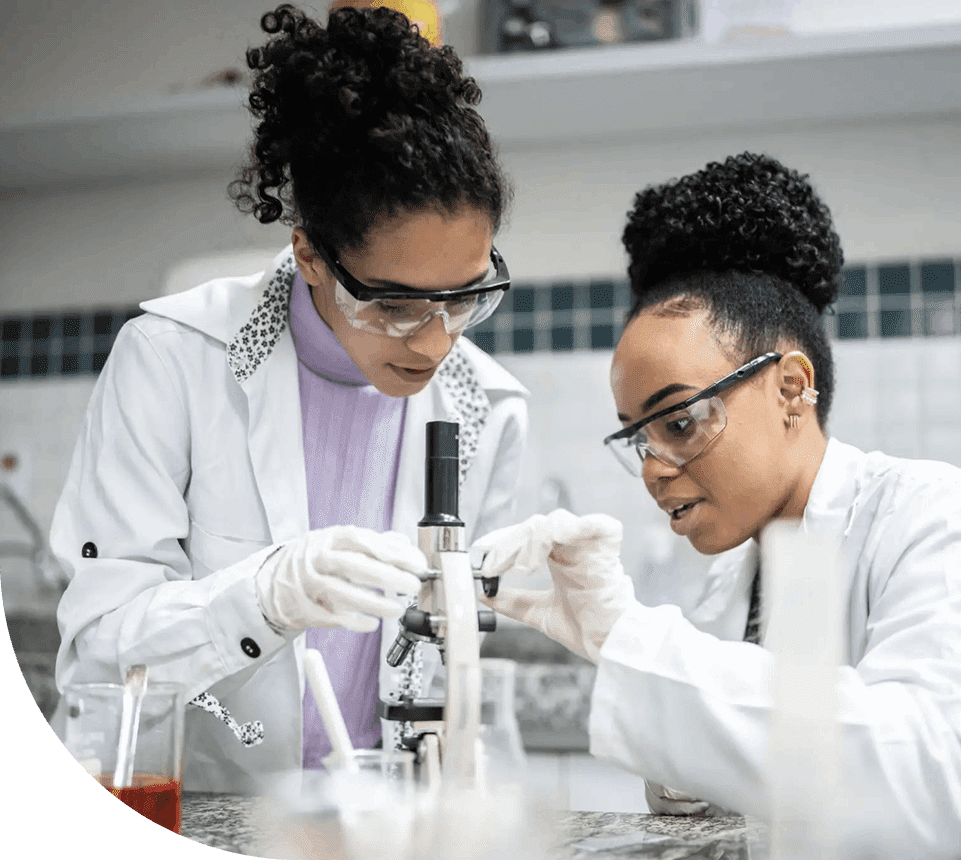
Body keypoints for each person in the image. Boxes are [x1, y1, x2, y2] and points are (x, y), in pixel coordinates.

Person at [51, 4, 527, 793]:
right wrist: (263, 598)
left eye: (466, 297)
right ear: (309, 253)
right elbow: (98, 658)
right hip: (200, 809)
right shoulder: (171, 359)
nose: (436, 344)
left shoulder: (489, 407)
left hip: (380, 819)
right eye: (395, 305)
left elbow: (451, 669)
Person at [474, 153, 961, 858]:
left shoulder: (929, 516)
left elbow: (927, 773)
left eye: (678, 422)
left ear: (790, 388)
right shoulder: (736, 579)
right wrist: (685, 773)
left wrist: (628, 637)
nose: (652, 469)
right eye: (638, 438)